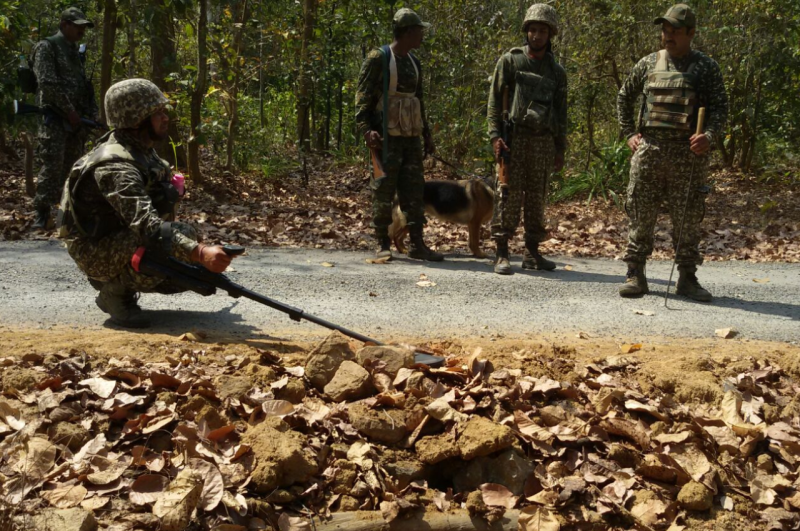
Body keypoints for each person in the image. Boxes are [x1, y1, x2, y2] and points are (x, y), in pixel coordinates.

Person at [57, 79, 234, 328]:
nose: (165, 118)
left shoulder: (140, 151)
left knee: (188, 263)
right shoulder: (115, 167)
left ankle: (127, 279)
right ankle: (114, 294)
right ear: (136, 120)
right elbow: (148, 227)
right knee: (177, 246)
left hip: (117, 240)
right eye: (157, 113)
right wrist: (201, 253)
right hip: (95, 251)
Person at [617, 3, 727, 301]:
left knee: (688, 219)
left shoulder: (706, 67)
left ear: (691, 33)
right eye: (665, 29)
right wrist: (629, 133)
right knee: (640, 215)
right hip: (649, 151)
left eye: (675, 30)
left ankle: (687, 279)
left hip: (687, 156)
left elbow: (720, 109)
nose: (668, 35)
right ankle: (635, 273)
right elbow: (624, 97)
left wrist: (709, 136)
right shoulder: (647, 63)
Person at [355, 8, 443, 262]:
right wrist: (366, 130)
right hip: (385, 137)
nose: (421, 35)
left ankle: (416, 242)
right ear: (407, 32)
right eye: (418, 30)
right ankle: (383, 242)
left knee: (414, 189)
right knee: (383, 188)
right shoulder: (379, 58)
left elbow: (419, 100)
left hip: (410, 136)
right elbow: (362, 100)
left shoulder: (415, 63)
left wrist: (426, 135)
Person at [486, 4, 567, 275]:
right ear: (526, 31)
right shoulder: (510, 61)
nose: (537, 35)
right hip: (515, 138)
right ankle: (502, 253)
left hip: (543, 141)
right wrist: (496, 136)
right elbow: (495, 103)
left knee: (537, 197)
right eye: (533, 29)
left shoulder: (557, 72)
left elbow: (561, 112)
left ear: (550, 34)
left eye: (543, 30)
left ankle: (532, 252)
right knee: (506, 193)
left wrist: (559, 148)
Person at [31, 7, 100, 230]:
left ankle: (67, 215)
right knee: (52, 167)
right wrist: (69, 111)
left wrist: (90, 114)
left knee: (72, 169)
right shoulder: (47, 47)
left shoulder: (74, 52)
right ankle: (41, 214)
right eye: (77, 25)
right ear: (64, 25)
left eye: (83, 26)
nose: (81, 30)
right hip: (56, 119)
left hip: (76, 122)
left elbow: (82, 86)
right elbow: (47, 84)